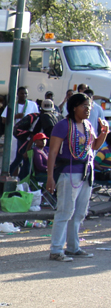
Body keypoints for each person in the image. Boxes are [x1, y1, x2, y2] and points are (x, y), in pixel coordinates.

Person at [45, 93, 108, 262]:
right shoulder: (63, 126)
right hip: (68, 172)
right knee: (65, 211)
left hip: (86, 173)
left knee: (79, 213)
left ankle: (73, 247)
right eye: (84, 106)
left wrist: (104, 133)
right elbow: (52, 152)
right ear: (74, 107)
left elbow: (93, 146)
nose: (88, 110)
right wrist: (50, 177)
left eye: (89, 107)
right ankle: (56, 250)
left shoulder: (88, 125)